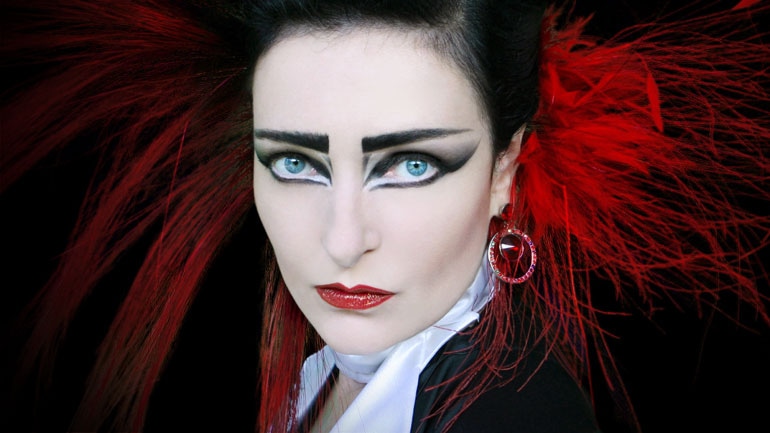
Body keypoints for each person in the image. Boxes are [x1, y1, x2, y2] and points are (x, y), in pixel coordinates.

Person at [2, 0, 768, 432]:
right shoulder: (334, 371)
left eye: (410, 164)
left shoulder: (515, 414)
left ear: (504, 169)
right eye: (295, 162)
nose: (342, 241)